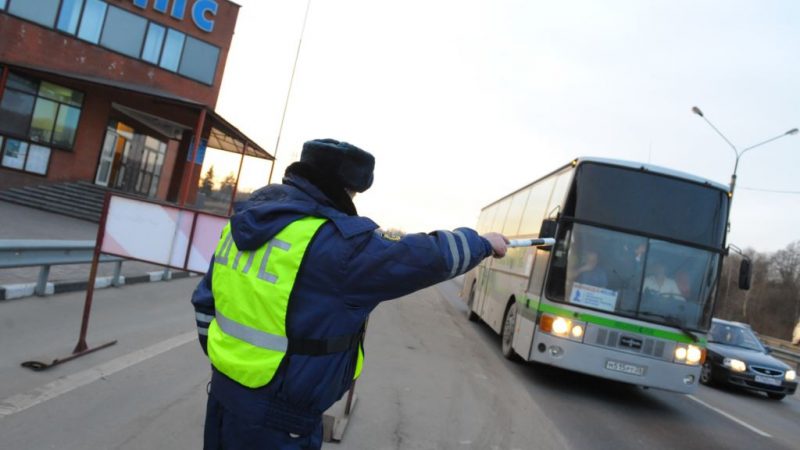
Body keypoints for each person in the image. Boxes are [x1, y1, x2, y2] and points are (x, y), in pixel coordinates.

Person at [191, 138, 508, 450]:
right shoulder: (336, 245)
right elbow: (422, 257)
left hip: (222, 398)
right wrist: (482, 243)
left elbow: (205, 301)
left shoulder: (241, 225)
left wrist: (229, 364)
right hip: (278, 423)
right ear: (342, 189)